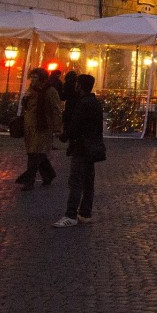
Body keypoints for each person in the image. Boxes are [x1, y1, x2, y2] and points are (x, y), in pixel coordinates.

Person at [52, 74, 103, 227]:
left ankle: (71, 214)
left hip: (81, 146)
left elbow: (76, 124)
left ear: (79, 86)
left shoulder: (83, 103)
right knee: (88, 181)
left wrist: (64, 136)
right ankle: (85, 212)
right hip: (92, 147)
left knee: (76, 181)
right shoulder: (95, 102)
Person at [17, 68, 62, 191]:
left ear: (41, 78)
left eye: (35, 77)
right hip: (29, 126)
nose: (32, 79)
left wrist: (58, 127)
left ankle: (29, 181)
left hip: (43, 127)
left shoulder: (50, 91)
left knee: (34, 153)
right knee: (37, 152)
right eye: (31, 77)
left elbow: (56, 109)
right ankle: (49, 174)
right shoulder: (31, 90)